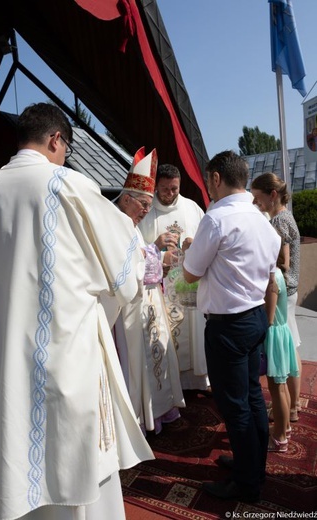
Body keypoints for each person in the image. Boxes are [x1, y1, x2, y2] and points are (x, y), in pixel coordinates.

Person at [0, 103, 154, 520]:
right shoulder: (67, 185)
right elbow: (125, 275)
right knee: (70, 478)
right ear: (56, 140)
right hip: (60, 361)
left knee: (8, 455)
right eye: (66, 148)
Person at [183, 150, 281, 503]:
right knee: (252, 397)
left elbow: (191, 273)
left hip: (229, 325)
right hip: (254, 316)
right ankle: (253, 464)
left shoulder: (217, 218)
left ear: (215, 178)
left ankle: (247, 482)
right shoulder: (262, 220)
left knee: (236, 404)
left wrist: (190, 250)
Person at [112, 147, 185, 435]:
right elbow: (125, 266)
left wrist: (153, 251)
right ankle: (142, 416)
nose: (146, 210)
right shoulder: (116, 223)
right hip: (131, 309)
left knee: (156, 355)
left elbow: (138, 254)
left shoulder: (129, 223)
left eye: (147, 205)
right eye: (142, 204)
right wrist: (159, 257)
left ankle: (160, 409)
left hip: (149, 303)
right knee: (139, 362)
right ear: (127, 199)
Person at [138, 164, 208, 391]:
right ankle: (168, 382)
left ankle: (196, 381)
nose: (170, 194)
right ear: (156, 186)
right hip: (161, 285)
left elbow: (207, 243)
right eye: (165, 189)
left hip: (188, 283)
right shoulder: (146, 211)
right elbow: (135, 249)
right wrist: (157, 251)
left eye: (174, 189)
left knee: (193, 331)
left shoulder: (192, 208)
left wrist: (192, 246)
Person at [251, 173, 302, 423]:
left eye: (257, 198)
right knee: (290, 349)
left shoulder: (279, 221)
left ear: (272, 195)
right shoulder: (283, 216)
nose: (255, 204)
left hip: (281, 290)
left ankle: (289, 407)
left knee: (286, 353)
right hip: (287, 289)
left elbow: (282, 260)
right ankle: (290, 406)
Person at [264, 238, 299, 453]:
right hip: (281, 331)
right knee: (281, 386)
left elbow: (268, 317)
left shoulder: (272, 279)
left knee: (276, 389)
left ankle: (279, 437)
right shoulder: (277, 273)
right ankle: (284, 427)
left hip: (274, 335)